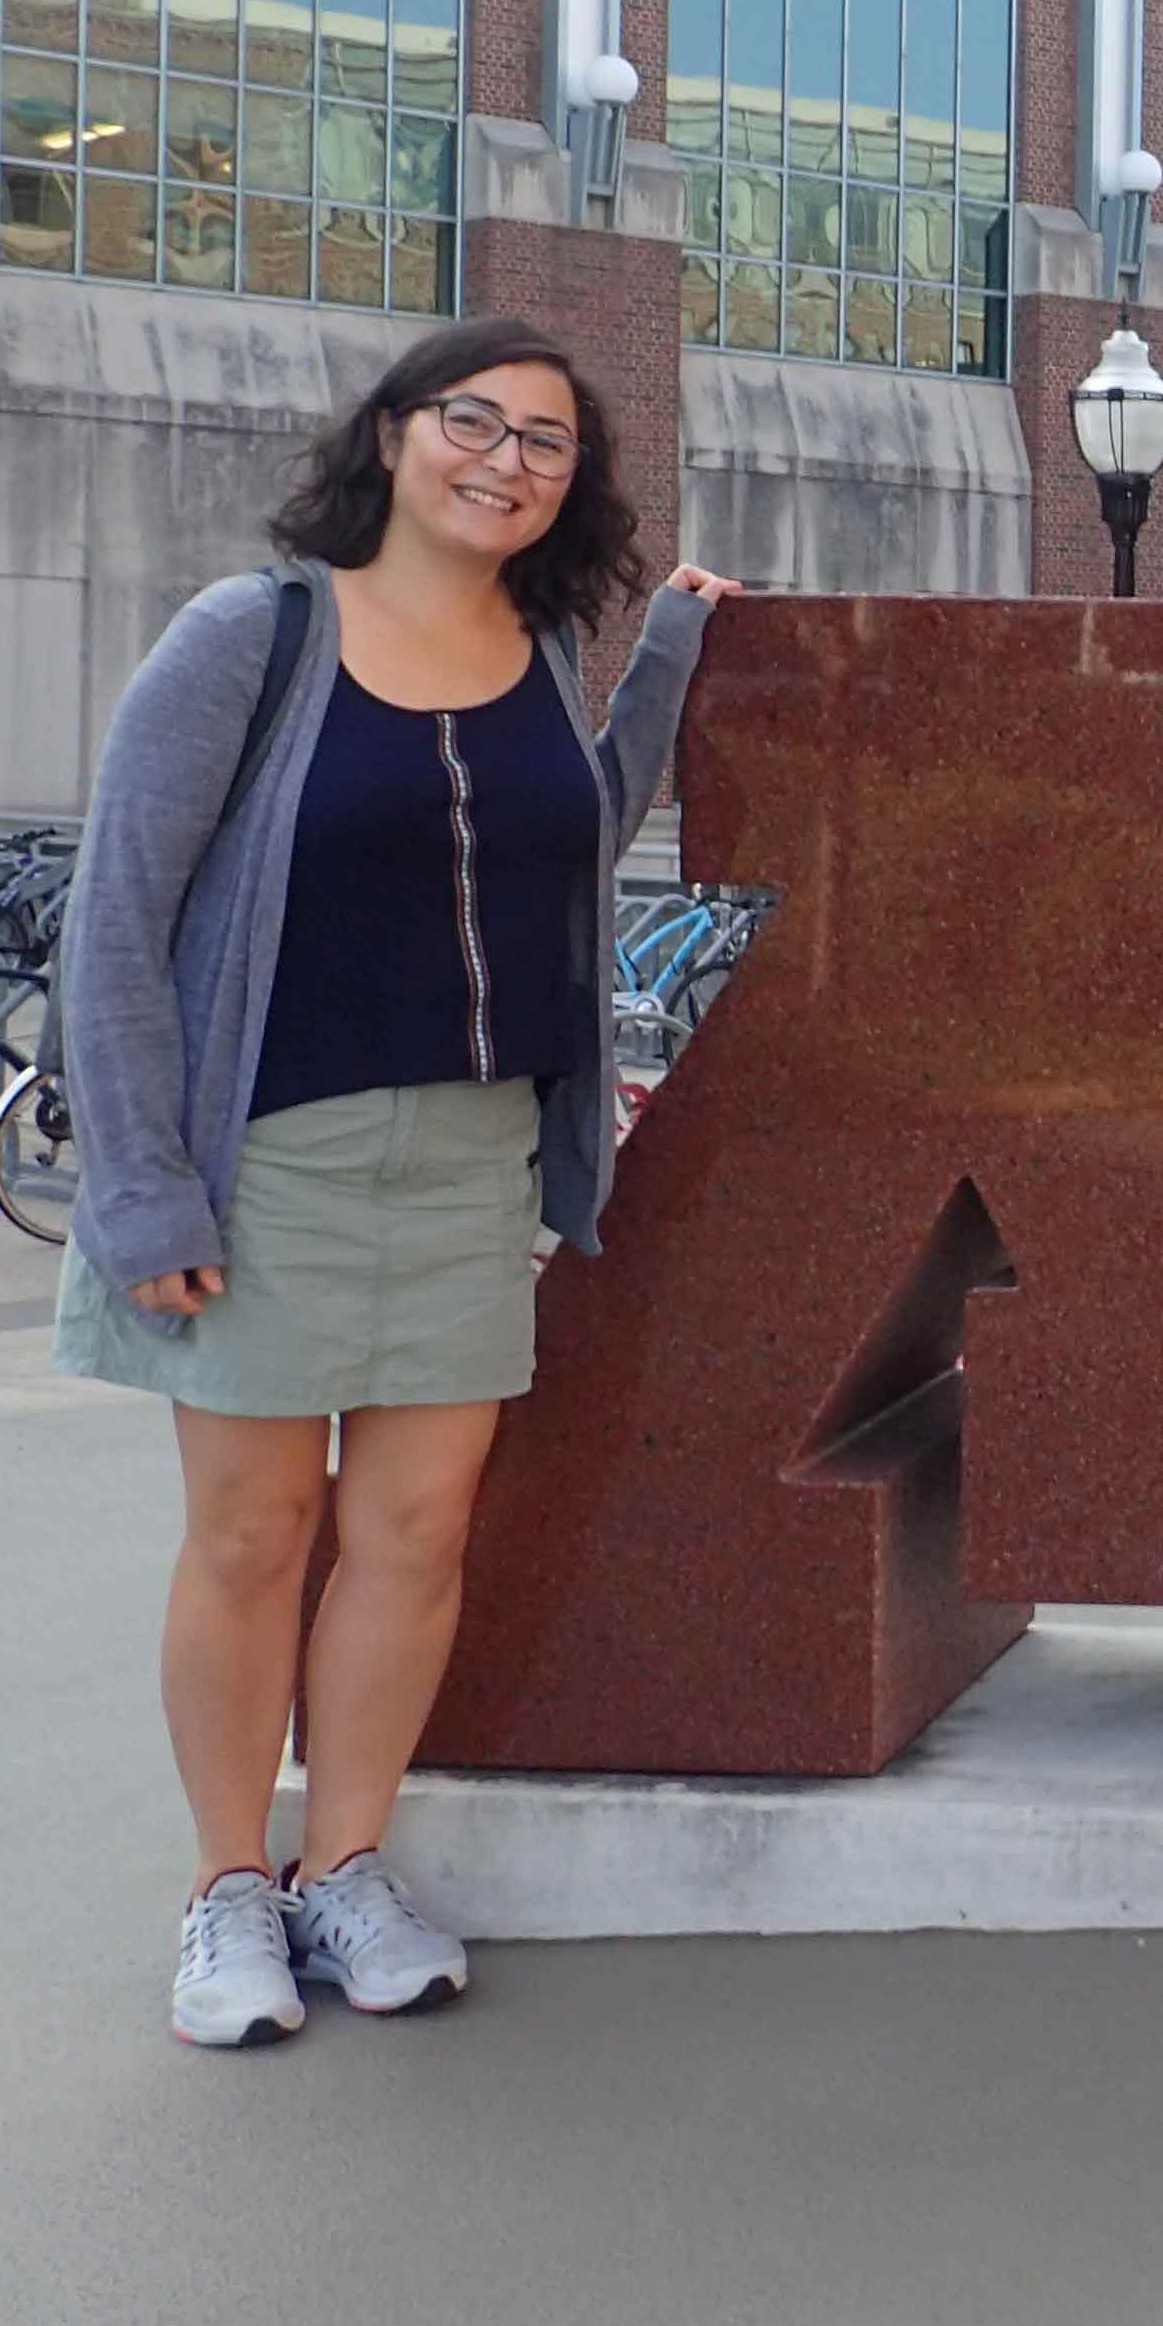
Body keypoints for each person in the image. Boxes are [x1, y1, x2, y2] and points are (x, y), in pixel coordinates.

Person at [54, 319, 738, 2048]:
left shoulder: (540, 647)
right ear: (392, 434)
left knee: (414, 1536)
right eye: (474, 423)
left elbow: (580, 832)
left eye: (547, 446)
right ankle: (227, 1887)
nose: (504, 460)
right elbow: (117, 922)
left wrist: (662, 662)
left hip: (469, 1157)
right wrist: (143, 1190)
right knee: (253, 1536)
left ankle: (345, 1864)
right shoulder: (254, 636)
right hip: (265, 1157)